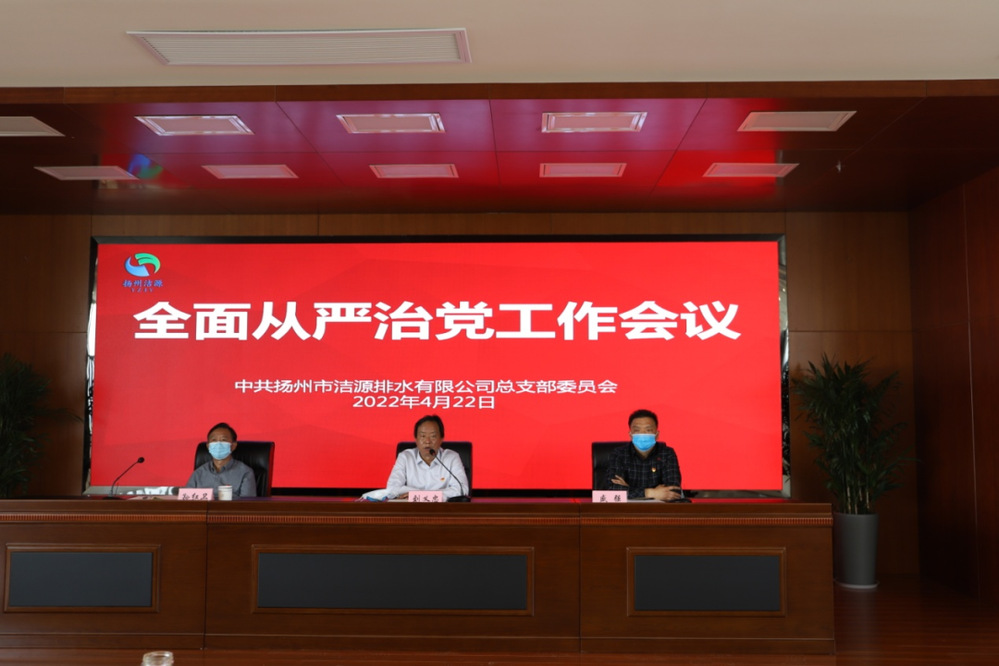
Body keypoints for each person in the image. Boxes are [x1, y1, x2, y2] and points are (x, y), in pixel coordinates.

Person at [602, 408, 683, 501]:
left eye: (648, 430)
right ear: (630, 434)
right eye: (637, 430)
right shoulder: (619, 454)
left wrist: (629, 489)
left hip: (659, 508)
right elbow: (612, 490)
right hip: (626, 508)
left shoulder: (667, 453)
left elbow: (673, 491)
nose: (643, 434)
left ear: (657, 434)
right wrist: (651, 493)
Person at [385, 414, 469, 500]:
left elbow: (462, 489)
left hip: (442, 508)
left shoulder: (452, 458)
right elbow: (391, 489)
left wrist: (418, 495)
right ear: (416, 439)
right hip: (412, 508)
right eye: (423, 436)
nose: (427, 441)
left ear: (441, 438)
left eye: (433, 436)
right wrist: (431, 495)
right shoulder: (405, 457)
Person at [186, 422, 256, 498]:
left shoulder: (245, 473)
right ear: (208, 446)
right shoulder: (198, 473)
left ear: (233, 446)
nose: (218, 444)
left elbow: (247, 503)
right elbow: (186, 500)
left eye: (223, 440)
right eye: (214, 440)